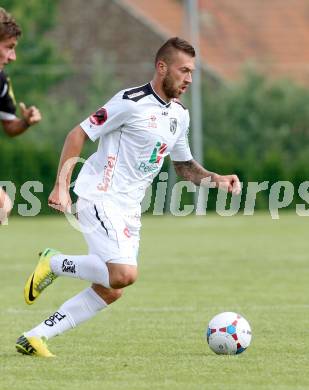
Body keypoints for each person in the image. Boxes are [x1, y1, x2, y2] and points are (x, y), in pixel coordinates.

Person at [16, 37, 241, 357]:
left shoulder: (179, 115)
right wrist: (61, 185)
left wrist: (217, 179)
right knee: (124, 274)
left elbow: (184, 167)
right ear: (162, 67)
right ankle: (54, 263)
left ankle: (35, 337)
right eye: (184, 71)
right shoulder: (129, 101)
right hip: (99, 195)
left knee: (111, 289)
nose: (189, 79)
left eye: (193, 72)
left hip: (129, 209)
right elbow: (77, 134)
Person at [0, 8, 42, 223]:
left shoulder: (1, 82)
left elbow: (9, 126)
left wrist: (25, 122)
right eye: (9, 48)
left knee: (3, 206)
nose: (13, 57)